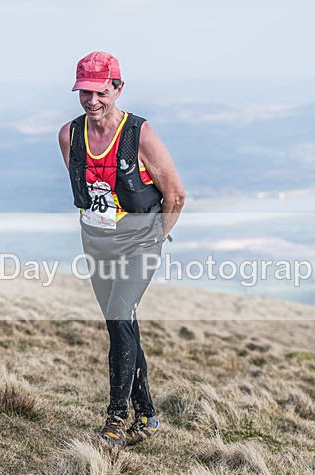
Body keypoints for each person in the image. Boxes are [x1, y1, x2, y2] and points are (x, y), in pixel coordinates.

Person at [58, 51, 186, 446]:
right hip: (97, 242)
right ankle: (147, 417)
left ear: (117, 88)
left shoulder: (139, 134)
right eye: (84, 92)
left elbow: (176, 195)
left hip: (139, 241)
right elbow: (87, 187)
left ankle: (115, 420)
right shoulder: (69, 135)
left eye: (100, 92)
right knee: (121, 324)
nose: (91, 101)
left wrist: (155, 237)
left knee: (118, 314)